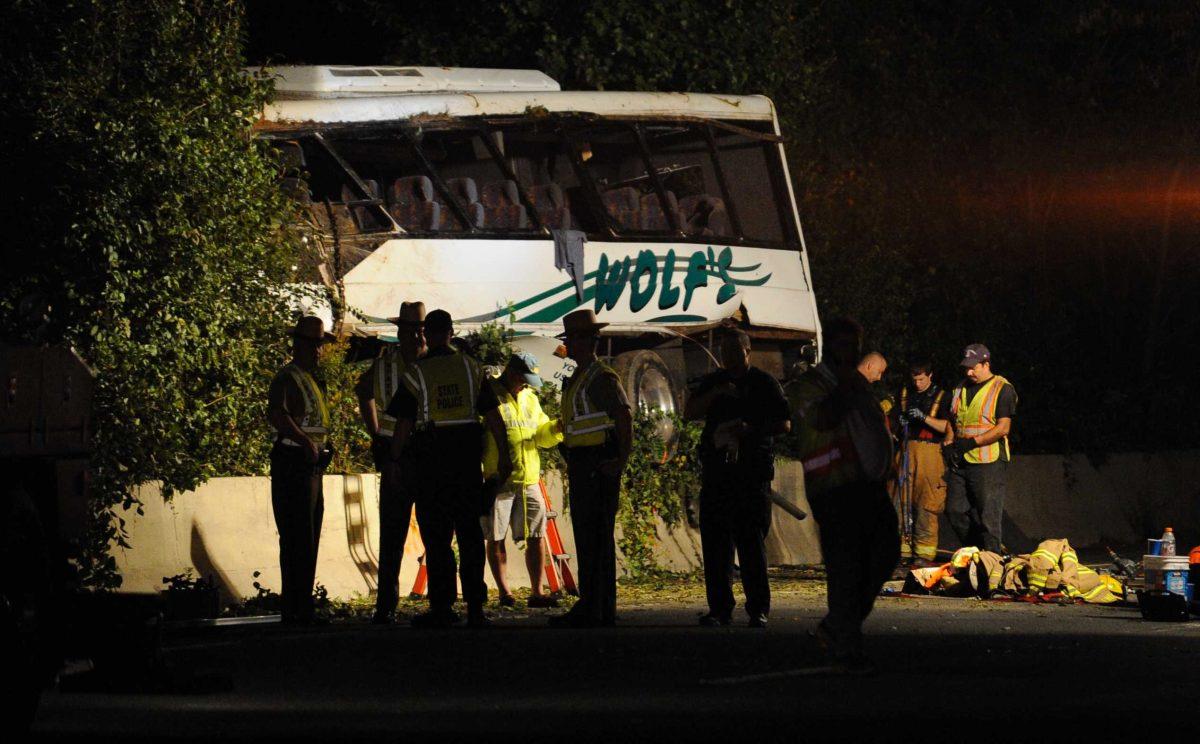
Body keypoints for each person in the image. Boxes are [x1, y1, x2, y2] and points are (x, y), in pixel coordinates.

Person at [386, 309, 511, 628]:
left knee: (437, 537)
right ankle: (475, 608)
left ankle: (442, 607)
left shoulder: (417, 372)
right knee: (469, 534)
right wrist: (505, 456)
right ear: (452, 332)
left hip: (433, 462)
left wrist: (396, 460)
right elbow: (494, 418)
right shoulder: (472, 368)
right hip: (467, 460)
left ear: (426, 334)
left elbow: (403, 423)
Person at [789, 317, 898, 673]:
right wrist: (848, 388)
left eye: (852, 345)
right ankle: (845, 644)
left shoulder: (858, 385)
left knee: (885, 554)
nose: (847, 352)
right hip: (833, 489)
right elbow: (823, 419)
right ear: (829, 347)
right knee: (846, 568)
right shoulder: (810, 385)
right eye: (841, 345)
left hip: (867, 486)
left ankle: (839, 626)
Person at [685, 329, 790, 628]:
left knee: (751, 545)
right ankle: (719, 608)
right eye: (724, 351)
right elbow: (689, 412)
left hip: (750, 475)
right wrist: (716, 394)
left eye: (734, 351)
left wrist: (751, 429)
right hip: (718, 474)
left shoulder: (764, 383)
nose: (728, 357)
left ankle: (758, 608)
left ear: (747, 351)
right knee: (716, 545)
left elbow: (784, 423)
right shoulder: (714, 382)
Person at [548, 309, 633, 628]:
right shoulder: (578, 377)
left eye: (572, 339)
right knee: (588, 538)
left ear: (586, 341)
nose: (569, 345)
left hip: (599, 464)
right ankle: (594, 605)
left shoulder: (600, 377)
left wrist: (620, 462)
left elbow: (624, 418)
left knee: (595, 538)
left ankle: (597, 608)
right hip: (584, 465)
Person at [354, 301, 426, 624]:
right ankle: (386, 605)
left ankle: (432, 604)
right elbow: (362, 391)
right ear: (400, 333)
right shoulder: (386, 366)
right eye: (411, 330)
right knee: (393, 534)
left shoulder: (428, 363)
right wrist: (375, 433)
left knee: (433, 532)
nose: (416, 335)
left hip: (422, 453)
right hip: (397, 456)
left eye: (420, 330)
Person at [267, 315, 335, 625]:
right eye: (311, 344)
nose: (317, 350)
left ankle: (299, 606)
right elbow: (278, 416)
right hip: (293, 463)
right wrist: (305, 441)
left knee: (307, 537)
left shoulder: (311, 378)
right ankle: (296, 608)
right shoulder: (289, 377)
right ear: (297, 344)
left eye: (320, 344)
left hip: (310, 466)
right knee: (298, 538)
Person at [481, 352, 564, 608]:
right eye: (524, 379)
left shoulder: (530, 397)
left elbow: (541, 435)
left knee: (537, 535)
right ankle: (505, 592)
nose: (527, 385)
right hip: (499, 479)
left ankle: (537, 592)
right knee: (496, 536)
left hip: (529, 478)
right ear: (512, 373)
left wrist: (555, 429)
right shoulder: (488, 393)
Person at [942, 344, 1017, 554]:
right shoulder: (959, 388)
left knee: (988, 516)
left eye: (973, 367)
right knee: (954, 510)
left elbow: (1003, 428)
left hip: (988, 461)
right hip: (961, 461)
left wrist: (972, 442)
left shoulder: (1002, 388)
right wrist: (949, 442)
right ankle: (976, 553)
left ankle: (992, 562)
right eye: (966, 367)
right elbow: (952, 419)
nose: (968, 372)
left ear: (986, 364)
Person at [890, 359, 950, 564]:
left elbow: (947, 427)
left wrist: (924, 418)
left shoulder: (942, 396)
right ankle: (902, 551)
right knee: (900, 501)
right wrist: (898, 422)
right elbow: (892, 420)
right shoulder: (905, 394)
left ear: (930, 375)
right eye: (914, 379)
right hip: (906, 450)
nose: (917, 384)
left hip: (930, 452)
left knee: (928, 502)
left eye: (922, 379)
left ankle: (923, 554)